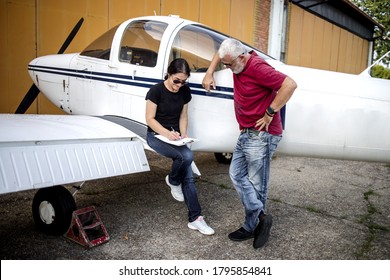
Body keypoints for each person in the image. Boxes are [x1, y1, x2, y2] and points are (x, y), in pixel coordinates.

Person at [202, 38, 297, 248]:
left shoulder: (257, 67)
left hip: (261, 135)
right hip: (246, 133)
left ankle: (251, 225)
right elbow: (221, 53)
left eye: (228, 65)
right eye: (224, 64)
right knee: (236, 174)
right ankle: (260, 217)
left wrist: (270, 112)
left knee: (257, 185)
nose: (226, 68)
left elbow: (290, 84)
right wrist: (209, 72)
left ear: (242, 57)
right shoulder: (236, 57)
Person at [145, 58, 214, 235]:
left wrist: (183, 134)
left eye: (183, 82)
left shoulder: (184, 91)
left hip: (175, 137)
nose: (179, 85)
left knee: (188, 176)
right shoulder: (156, 91)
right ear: (169, 74)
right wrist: (167, 134)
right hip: (156, 135)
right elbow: (149, 119)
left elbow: (183, 116)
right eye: (176, 81)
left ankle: (195, 219)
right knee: (187, 157)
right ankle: (172, 180)